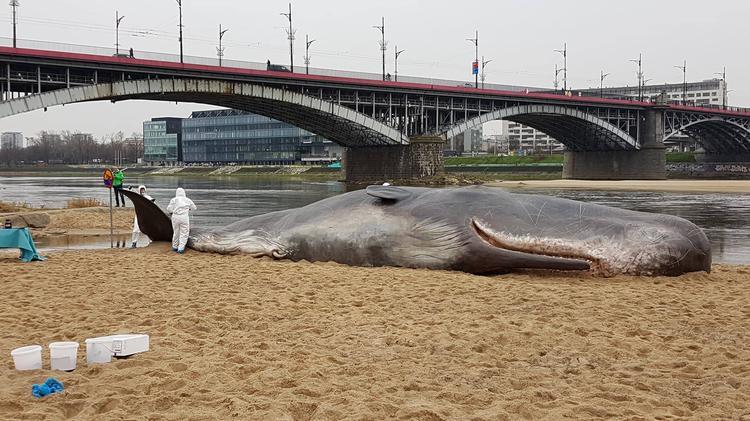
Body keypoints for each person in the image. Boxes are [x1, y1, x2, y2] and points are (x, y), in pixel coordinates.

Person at [166, 187, 196, 254]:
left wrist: (173, 211)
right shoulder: (188, 200)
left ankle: (174, 247)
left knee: (176, 232)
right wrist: (188, 209)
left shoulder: (173, 199)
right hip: (184, 217)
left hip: (175, 217)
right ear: (184, 193)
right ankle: (181, 248)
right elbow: (194, 208)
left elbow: (168, 209)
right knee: (184, 233)